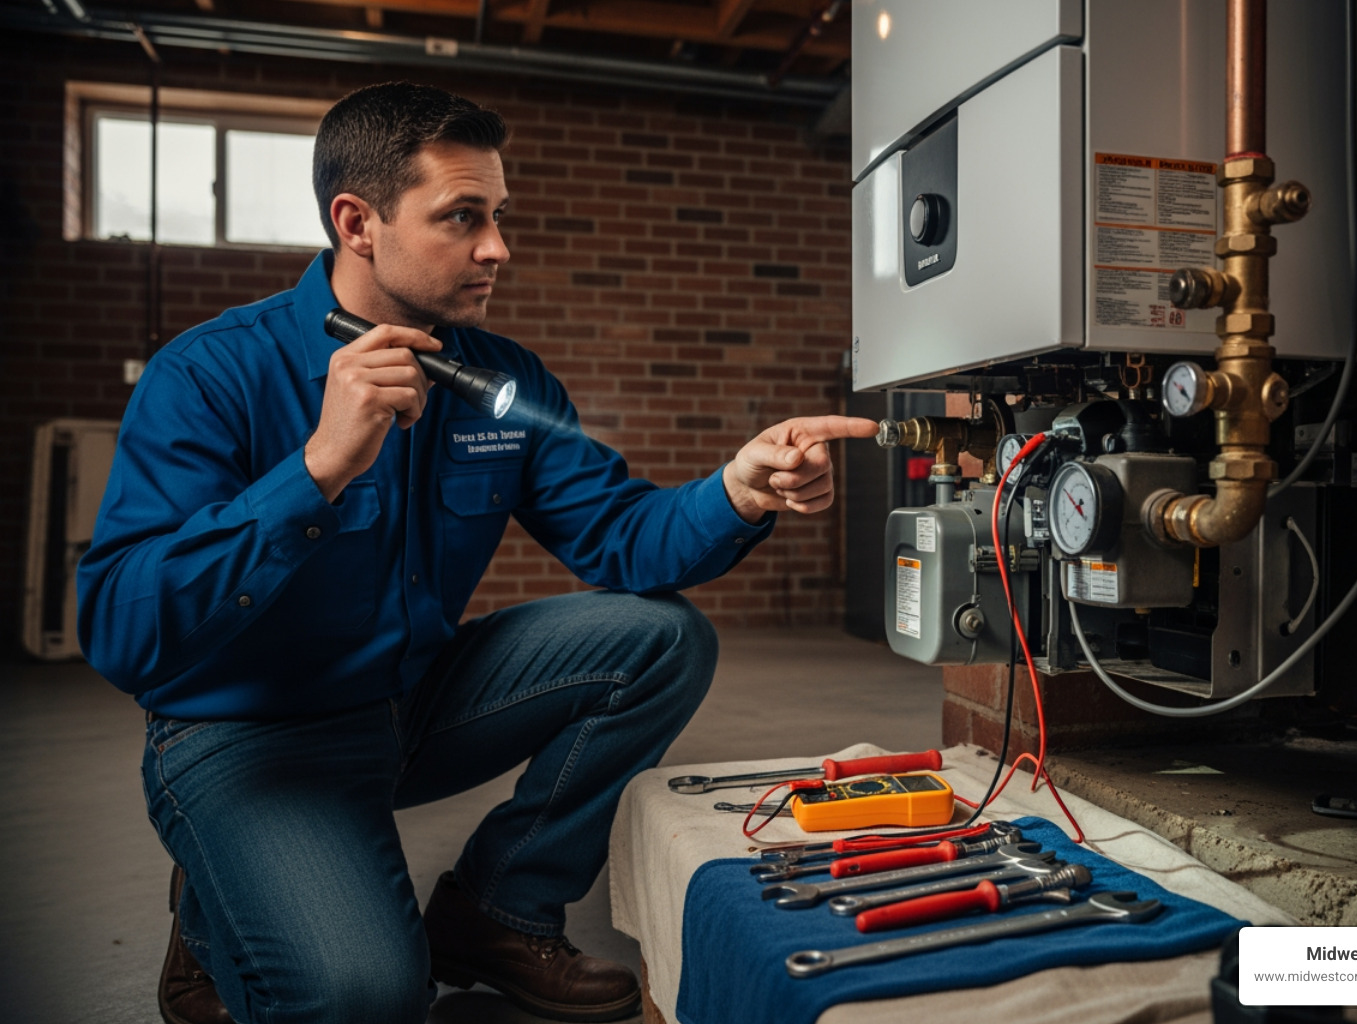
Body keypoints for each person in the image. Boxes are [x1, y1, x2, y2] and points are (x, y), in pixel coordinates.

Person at [76, 81, 876, 1024]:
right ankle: (218, 910)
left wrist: (737, 489)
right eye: (463, 218)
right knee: (367, 997)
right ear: (357, 221)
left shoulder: (498, 380)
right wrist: (316, 468)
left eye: (497, 215)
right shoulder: (211, 373)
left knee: (658, 639)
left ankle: (495, 912)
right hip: (247, 736)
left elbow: (621, 538)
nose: (497, 247)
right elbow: (122, 632)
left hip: (407, 700)